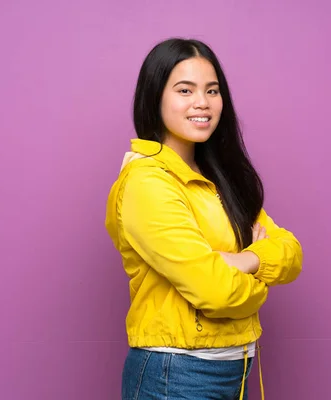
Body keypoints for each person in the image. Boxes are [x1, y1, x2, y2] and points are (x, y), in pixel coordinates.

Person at [105, 37, 303, 400]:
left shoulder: (219, 178)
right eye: (185, 90)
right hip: (176, 375)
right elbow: (217, 293)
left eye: (212, 90)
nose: (202, 102)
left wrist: (245, 260)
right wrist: (260, 276)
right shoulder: (147, 182)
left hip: (235, 365)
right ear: (155, 97)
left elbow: (291, 252)